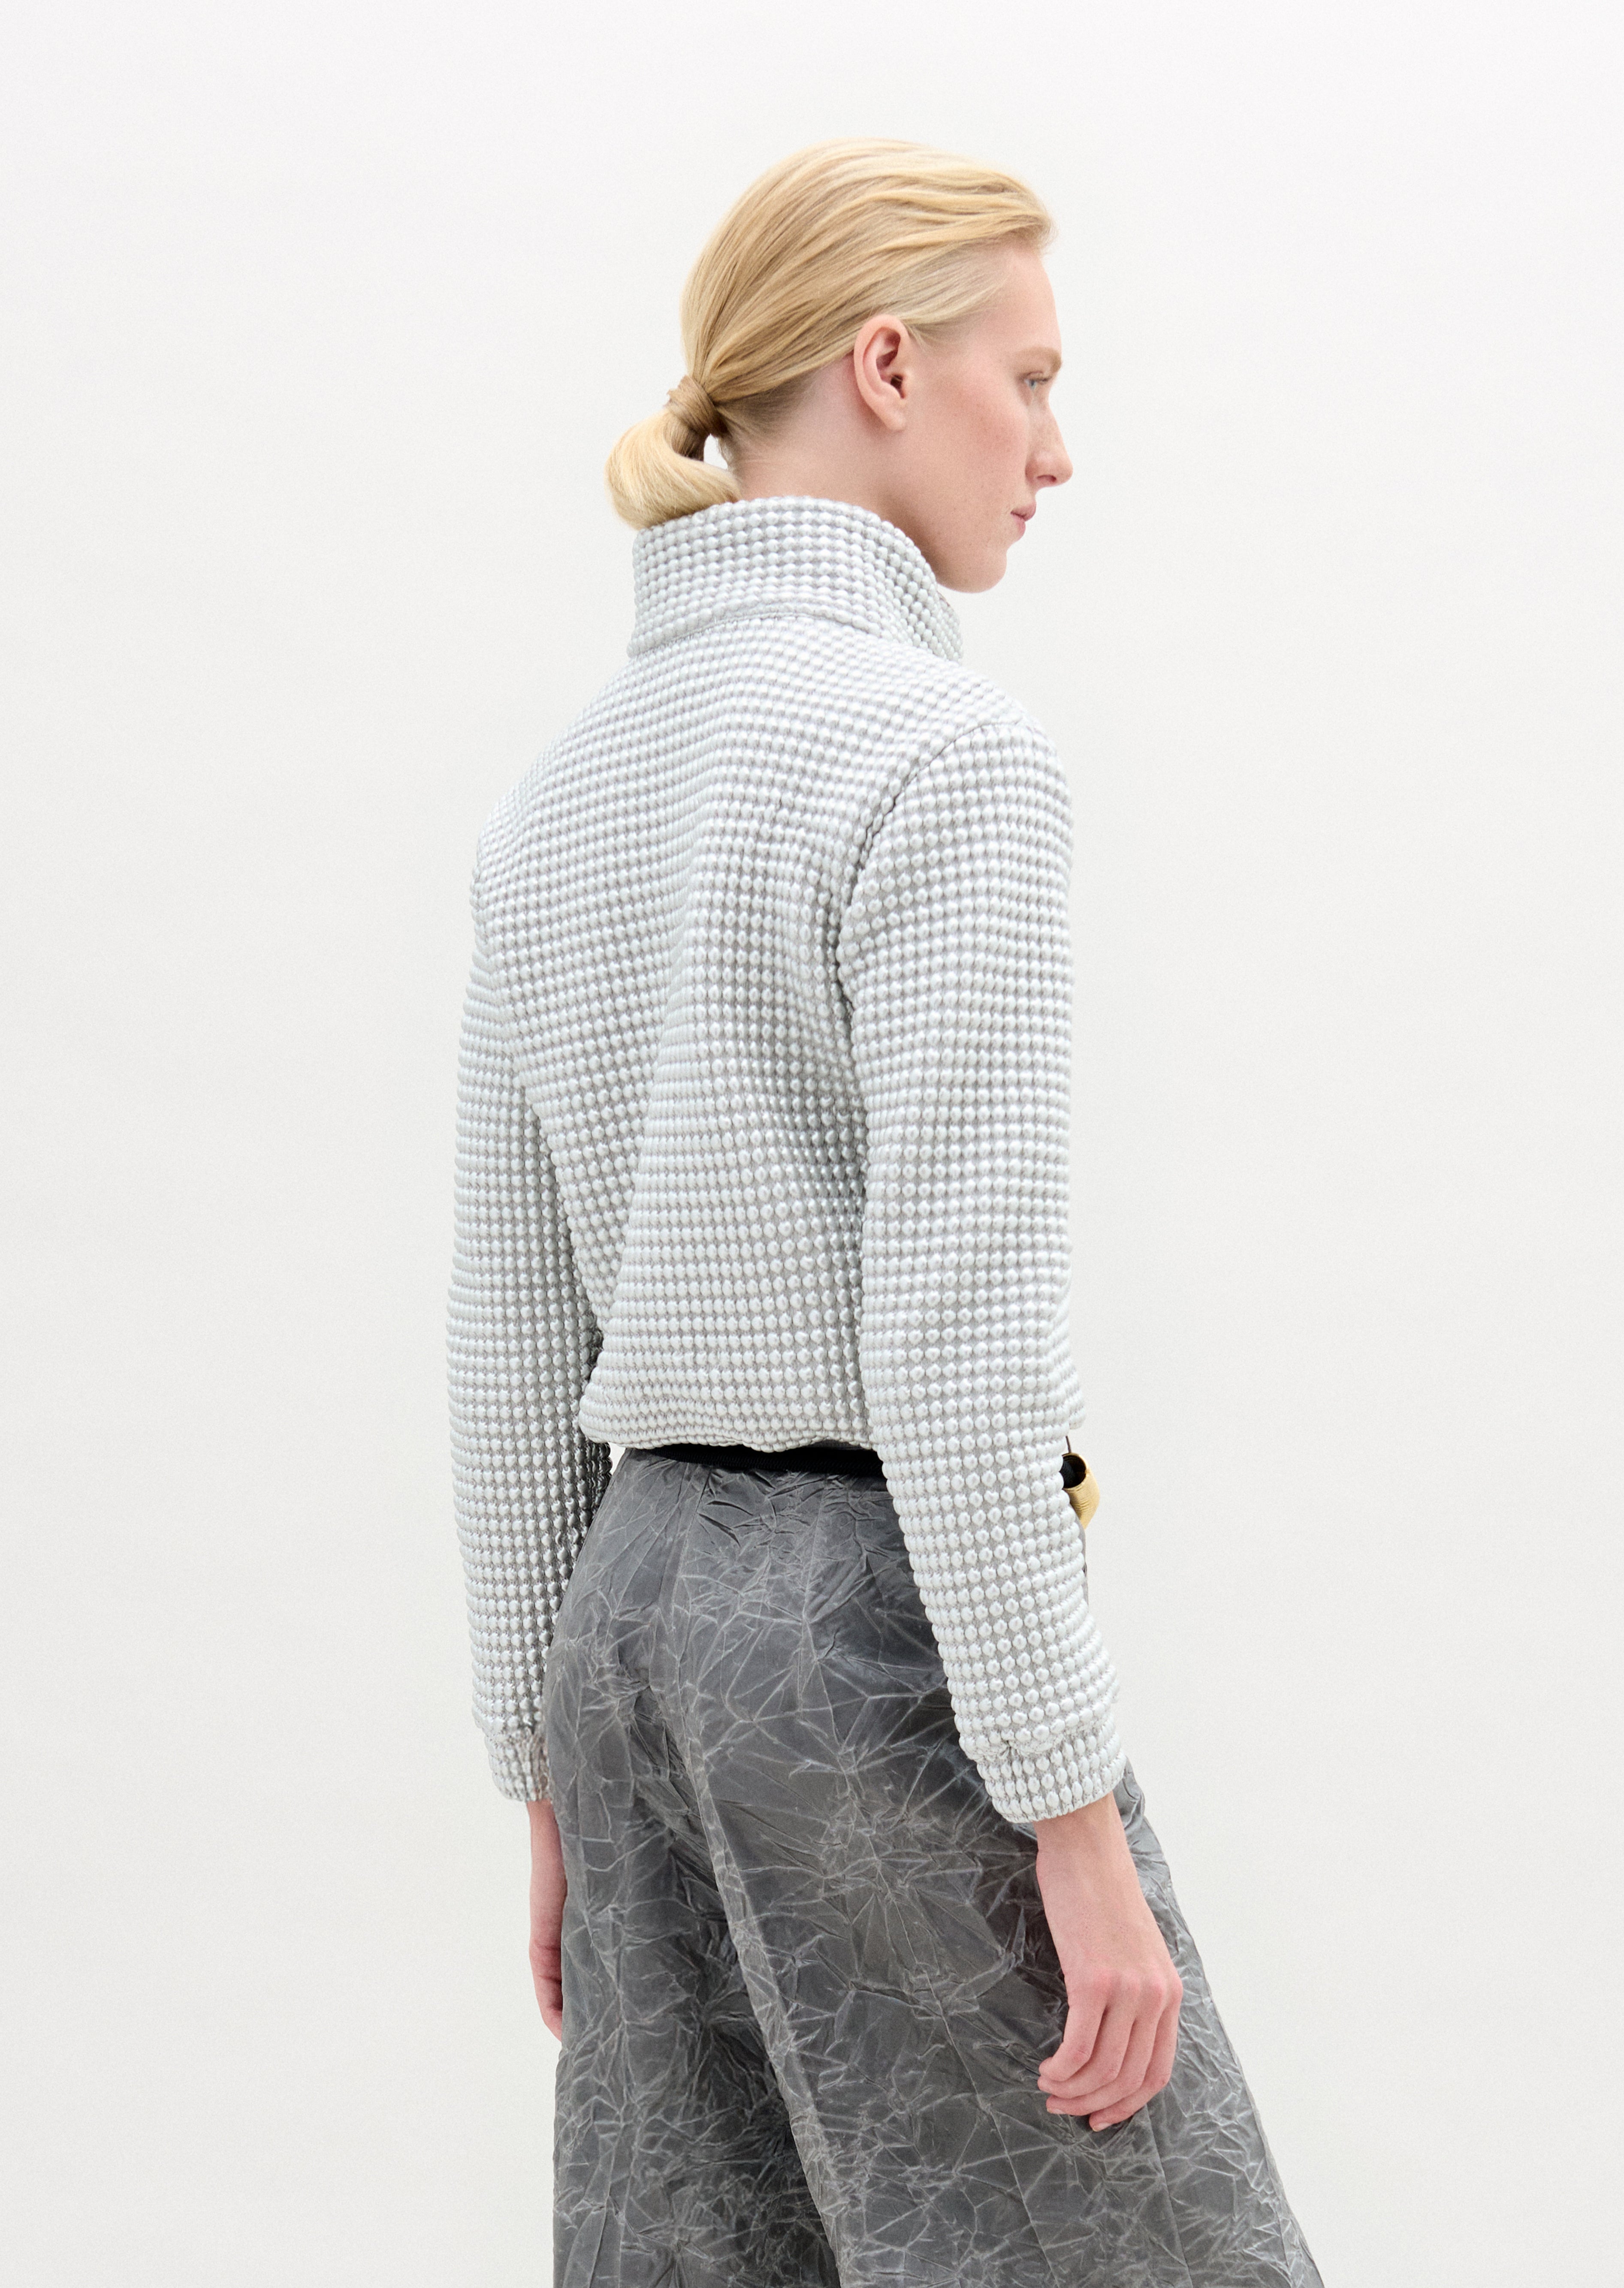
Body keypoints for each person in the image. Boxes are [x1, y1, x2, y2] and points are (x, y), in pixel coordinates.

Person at [447, 137, 1322, 2288]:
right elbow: (955, 1343)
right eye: (1031, 379)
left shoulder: (554, 800)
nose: (1055, 447)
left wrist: (549, 1765)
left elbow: (507, 1348)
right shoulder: (940, 757)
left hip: (632, 1631)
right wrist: (1072, 1819)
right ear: (886, 366)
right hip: (863, 1626)